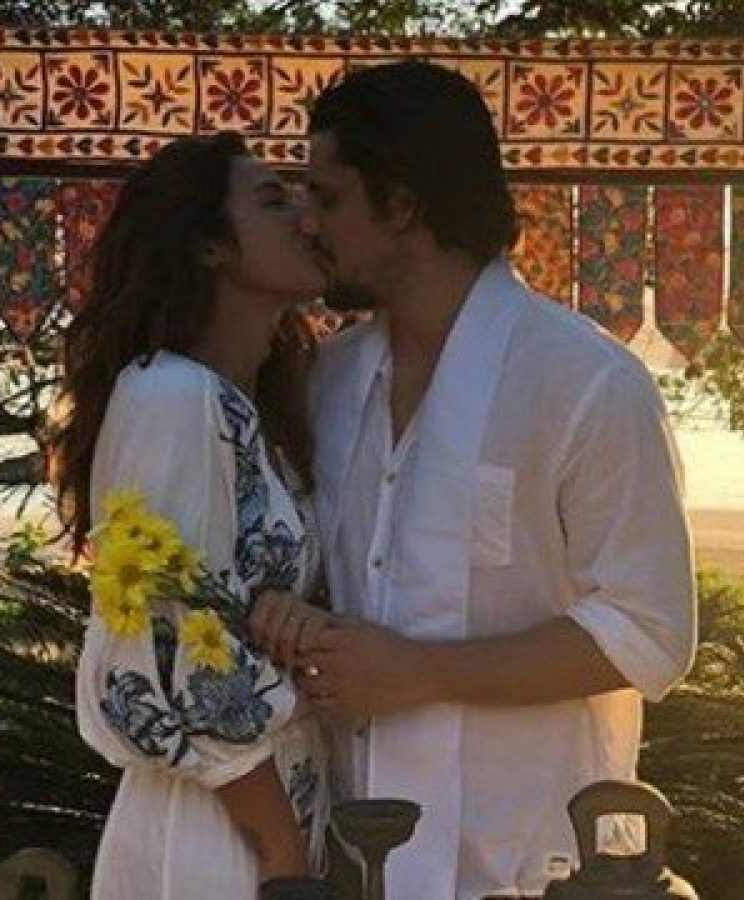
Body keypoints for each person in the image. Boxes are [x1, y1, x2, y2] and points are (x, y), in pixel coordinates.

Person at [295, 61, 697, 899]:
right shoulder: (329, 380)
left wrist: (423, 672)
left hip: (529, 862)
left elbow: (649, 629)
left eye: (328, 198)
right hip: (359, 865)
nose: (308, 223)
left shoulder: (586, 383)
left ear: (402, 206)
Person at [46, 133, 335, 900]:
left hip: (266, 817)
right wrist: (282, 856)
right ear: (209, 246)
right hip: (220, 838)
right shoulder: (173, 396)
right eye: (273, 201)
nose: (305, 217)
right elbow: (168, 647)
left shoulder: (255, 412)